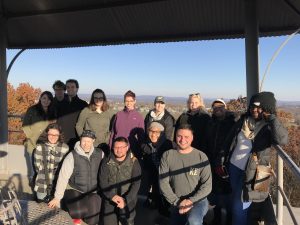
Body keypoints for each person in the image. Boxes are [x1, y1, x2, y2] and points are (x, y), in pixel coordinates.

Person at [216, 92, 288, 225]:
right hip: (234, 167)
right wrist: (221, 160)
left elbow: (282, 140)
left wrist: (271, 118)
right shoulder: (243, 121)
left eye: (259, 107)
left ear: (267, 108)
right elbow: (229, 141)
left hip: (253, 173)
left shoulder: (268, 127)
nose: (254, 110)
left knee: (239, 207)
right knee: (241, 204)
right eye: (252, 106)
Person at [159, 124, 212, 225]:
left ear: (192, 138)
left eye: (186, 137)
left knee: (194, 221)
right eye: (179, 136)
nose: (183, 140)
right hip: (176, 201)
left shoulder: (201, 157)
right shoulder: (167, 155)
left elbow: (207, 185)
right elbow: (163, 183)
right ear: (175, 137)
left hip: (198, 201)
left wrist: (190, 201)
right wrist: (177, 202)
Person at [48, 130, 103, 225]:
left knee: (93, 220)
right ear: (80, 140)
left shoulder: (100, 154)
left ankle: (85, 208)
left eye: (89, 141)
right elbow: (63, 176)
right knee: (77, 213)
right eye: (84, 141)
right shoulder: (72, 155)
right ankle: (67, 206)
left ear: (93, 141)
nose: (86, 144)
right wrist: (57, 198)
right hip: (74, 189)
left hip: (92, 191)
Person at [206, 99, 237, 225]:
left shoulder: (232, 123)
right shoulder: (211, 122)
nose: (217, 108)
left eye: (220, 106)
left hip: (227, 164)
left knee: (228, 192)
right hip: (212, 162)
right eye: (215, 107)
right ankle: (217, 217)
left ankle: (230, 219)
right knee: (216, 192)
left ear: (225, 108)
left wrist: (225, 161)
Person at [99, 137, 141, 225]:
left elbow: (136, 184)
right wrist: (112, 196)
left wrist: (125, 200)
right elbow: (103, 182)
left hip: (127, 197)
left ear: (127, 147)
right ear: (113, 148)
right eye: (117, 147)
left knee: (127, 221)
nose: (119, 150)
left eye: (122, 147)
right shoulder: (106, 161)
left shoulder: (134, 162)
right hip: (110, 197)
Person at [141, 121, 175, 214]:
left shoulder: (168, 144)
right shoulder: (145, 144)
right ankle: (158, 205)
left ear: (161, 133)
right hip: (153, 171)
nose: (153, 134)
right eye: (151, 131)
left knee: (165, 191)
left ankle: (166, 208)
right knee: (155, 188)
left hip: (166, 173)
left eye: (157, 132)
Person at [22, 91, 56, 178]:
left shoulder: (52, 111)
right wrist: (32, 137)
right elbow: (25, 126)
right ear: (40, 98)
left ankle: (42, 188)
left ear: (51, 101)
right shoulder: (32, 110)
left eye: (49, 99)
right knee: (34, 169)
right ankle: (33, 185)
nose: (46, 100)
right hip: (33, 144)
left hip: (47, 145)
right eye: (44, 98)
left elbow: (54, 127)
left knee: (44, 169)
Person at [33, 123, 69, 203]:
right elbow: (37, 167)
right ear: (46, 134)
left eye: (56, 135)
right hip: (42, 183)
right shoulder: (39, 147)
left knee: (55, 211)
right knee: (41, 208)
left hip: (57, 184)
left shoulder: (64, 148)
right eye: (51, 134)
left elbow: (65, 168)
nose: (53, 137)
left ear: (59, 135)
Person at [109, 90, 145, 159]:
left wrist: (140, 153)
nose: (129, 103)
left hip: (131, 150)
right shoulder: (118, 115)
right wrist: (110, 148)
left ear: (135, 101)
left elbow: (141, 137)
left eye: (131, 101)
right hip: (117, 149)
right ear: (124, 101)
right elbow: (113, 133)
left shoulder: (139, 117)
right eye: (126, 101)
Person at [57, 79, 88, 149]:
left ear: (77, 89)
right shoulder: (61, 104)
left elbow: (86, 124)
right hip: (62, 139)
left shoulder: (83, 104)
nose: (70, 89)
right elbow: (58, 121)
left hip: (77, 141)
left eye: (72, 87)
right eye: (68, 87)